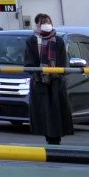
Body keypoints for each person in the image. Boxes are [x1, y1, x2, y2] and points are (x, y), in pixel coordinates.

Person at [24, 14, 74, 145]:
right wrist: (39, 76)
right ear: (37, 25)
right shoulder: (32, 41)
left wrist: (56, 74)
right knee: (44, 114)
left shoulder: (58, 40)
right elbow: (29, 63)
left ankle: (56, 140)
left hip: (57, 82)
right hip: (40, 82)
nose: (46, 24)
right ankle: (49, 139)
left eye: (48, 22)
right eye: (43, 23)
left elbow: (63, 62)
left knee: (57, 113)